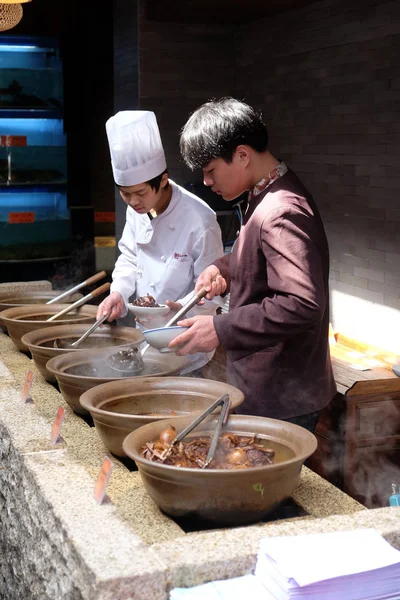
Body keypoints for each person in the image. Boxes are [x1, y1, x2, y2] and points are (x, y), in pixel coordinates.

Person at [169, 97, 336, 431]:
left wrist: (219, 329)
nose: (206, 182)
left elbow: (301, 303)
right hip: (272, 385)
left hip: (282, 393)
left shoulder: (280, 210)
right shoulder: (266, 193)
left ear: (242, 155)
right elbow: (262, 254)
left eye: (210, 170)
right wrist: (223, 269)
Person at [97, 110, 224, 374]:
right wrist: (118, 292)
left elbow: (212, 290)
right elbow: (130, 256)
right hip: (143, 339)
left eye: (140, 193)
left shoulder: (200, 219)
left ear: (163, 180)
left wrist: (183, 308)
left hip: (187, 344)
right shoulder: (137, 210)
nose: (132, 202)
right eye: (125, 194)